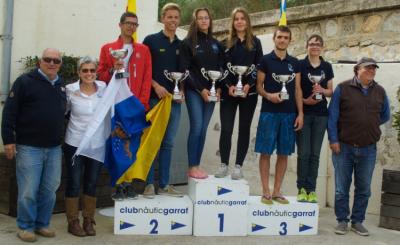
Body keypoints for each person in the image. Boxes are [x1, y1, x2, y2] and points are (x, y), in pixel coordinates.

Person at [1, 48, 66, 242]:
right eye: (48, 59)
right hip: (29, 147)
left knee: (50, 189)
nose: (52, 63)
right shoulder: (25, 82)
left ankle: (42, 224)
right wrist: (9, 141)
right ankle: (26, 226)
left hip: (54, 148)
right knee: (29, 190)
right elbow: (9, 113)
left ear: (60, 64)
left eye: (56, 60)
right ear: (40, 61)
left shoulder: (61, 85)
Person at [328, 57, 390, 236]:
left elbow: (385, 115)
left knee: (364, 189)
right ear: (357, 70)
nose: (371, 71)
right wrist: (333, 140)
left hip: (368, 148)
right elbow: (332, 117)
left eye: (374, 68)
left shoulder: (380, 91)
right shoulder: (343, 88)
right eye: (367, 68)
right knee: (341, 188)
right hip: (343, 147)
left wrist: (368, 124)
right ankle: (342, 221)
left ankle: (357, 221)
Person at [97, 11, 152, 200]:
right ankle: (117, 184)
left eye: (135, 24)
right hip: (116, 104)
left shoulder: (143, 50)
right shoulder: (108, 48)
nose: (131, 27)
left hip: (134, 104)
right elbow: (102, 75)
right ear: (120, 25)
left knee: (133, 143)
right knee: (116, 143)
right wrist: (114, 68)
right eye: (128, 23)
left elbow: (147, 78)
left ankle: (128, 183)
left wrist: (143, 103)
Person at [255, 26, 303, 205]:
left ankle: (277, 191)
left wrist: (300, 114)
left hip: (289, 114)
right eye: (279, 37)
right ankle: (265, 190)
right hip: (269, 113)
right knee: (265, 152)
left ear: (290, 41)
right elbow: (259, 86)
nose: (282, 40)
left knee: (284, 154)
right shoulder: (265, 60)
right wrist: (269, 96)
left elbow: (297, 89)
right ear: (274, 39)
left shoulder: (295, 63)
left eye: (286, 38)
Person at [215, 7, 263, 180]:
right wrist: (228, 85)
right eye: (237, 19)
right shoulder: (224, 43)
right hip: (229, 93)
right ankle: (223, 164)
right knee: (226, 129)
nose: (240, 21)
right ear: (233, 22)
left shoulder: (256, 43)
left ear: (247, 22)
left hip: (248, 94)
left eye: (243, 18)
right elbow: (220, 67)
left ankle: (238, 167)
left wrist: (250, 85)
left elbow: (259, 66)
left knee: (244, 129)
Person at [142, 3, 183, 198]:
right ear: (163, 18)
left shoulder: (182, 45)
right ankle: (149, 184)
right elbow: (144, 71)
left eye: (176, 17)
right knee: (152, 142)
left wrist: (181, 92)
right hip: (154, 100)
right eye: (169, 17)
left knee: (168, 143)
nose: (173, 20)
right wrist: (156, 86)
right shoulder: (150, 40)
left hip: (173, 103)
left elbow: (184, 73)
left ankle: (165, 185)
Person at [179, 7, 225, 179]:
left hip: (212, 93)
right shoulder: (187, 43)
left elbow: (222, 68)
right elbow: (185, 69)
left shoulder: (217, 44)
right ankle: (192, 166)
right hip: (195, 92)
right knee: (197, 127)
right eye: (200, 18)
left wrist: (218, 87)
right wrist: (201, 89)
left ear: (210, 20)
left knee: (204, 129)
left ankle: (196, 166)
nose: (204, 21)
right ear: (195, 21)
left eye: (206, 18)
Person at [63, 57, 106, 237]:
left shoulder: (103, 88)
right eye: (85, 70)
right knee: (73, 182)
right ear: (79, 72)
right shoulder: (70, 90)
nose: (89, 74)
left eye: (92, 70)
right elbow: (64, 112)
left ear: (96, 72)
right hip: (74, 143)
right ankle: (73, 221)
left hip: (96, 145)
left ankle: (88, 220)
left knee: (91, 182)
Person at [296, 34, 334, 203]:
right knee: (303, 153)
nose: (314, 46)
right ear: (307, 46)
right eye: (311, 44)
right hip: (304, 114)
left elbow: (330, 92)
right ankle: (301, 188)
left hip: (321, 116)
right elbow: (296, 89)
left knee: (315, 155)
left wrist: (321, 90)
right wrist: (305, 102)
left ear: (322, 47)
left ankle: (311, 190)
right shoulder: (300, 65)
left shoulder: (327, 66)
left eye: (318, 44)